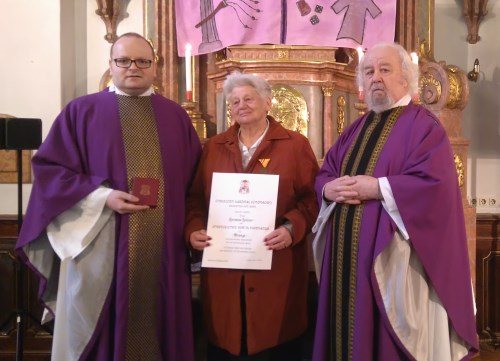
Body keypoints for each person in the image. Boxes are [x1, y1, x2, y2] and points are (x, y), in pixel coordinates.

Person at [15, 32, 201, 361]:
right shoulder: (81, 112)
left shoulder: (176, 117)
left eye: (143, 61)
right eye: (123, 60)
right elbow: (50, 172)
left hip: (165, 252)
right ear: (110, 64)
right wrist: (103, 197)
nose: (133, 67)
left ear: (154, 66)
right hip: (102, 248)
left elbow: (194, 186)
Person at [311, 42, 479, 361]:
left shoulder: (424, 127)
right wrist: (327, 190)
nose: (375, 78)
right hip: (346, 265)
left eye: (385, 70)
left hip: (392, 266)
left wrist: (378, 188)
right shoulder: (354, 130)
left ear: (406, 78)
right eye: (369, 71)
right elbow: (327, 171)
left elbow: (435, 186)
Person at [185, 72, 319, 361]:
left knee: (274, 346)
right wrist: (193, 229)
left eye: (248, 98)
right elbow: (195, 199)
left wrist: (291, 228)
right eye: (234, 102)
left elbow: (312, 199)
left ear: (268, 102)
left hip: (276, 267)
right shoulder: (214, 147)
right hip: (223, 271)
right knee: (225, 342)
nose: (241, 105)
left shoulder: (295, 145)